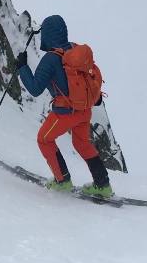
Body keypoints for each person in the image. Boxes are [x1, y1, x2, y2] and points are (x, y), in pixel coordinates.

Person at [16, 14, 112, 197]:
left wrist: (22, 67)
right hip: (85, 111)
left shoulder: (50, 59)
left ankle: (63, 182)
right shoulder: (75, 50)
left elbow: (35, 89)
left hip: (65, 113)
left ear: (46, 35)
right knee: (82, 144)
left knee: (44, 139)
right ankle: (103, 185)